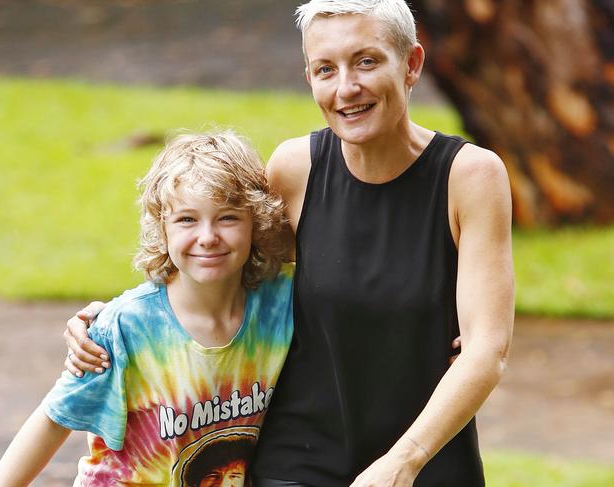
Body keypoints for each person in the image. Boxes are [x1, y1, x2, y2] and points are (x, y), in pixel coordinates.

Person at [64, 1, 515, 486]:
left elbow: (487, 348)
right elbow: (219, 270)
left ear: (411, 65)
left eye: (367, 61)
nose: (346, 88)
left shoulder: (470, 177)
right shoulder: (295, 169)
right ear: (309, 77)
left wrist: (401, 463)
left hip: (427, 459)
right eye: (326, 69)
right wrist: (110, 322)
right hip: (298, 461)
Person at [0, 130, 294, 486]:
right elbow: (53, 420)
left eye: (227, 217)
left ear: (255, 223)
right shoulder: (127, 327)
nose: (208, 236)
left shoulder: (279, 303)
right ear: (162, 227)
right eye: (187, 219)